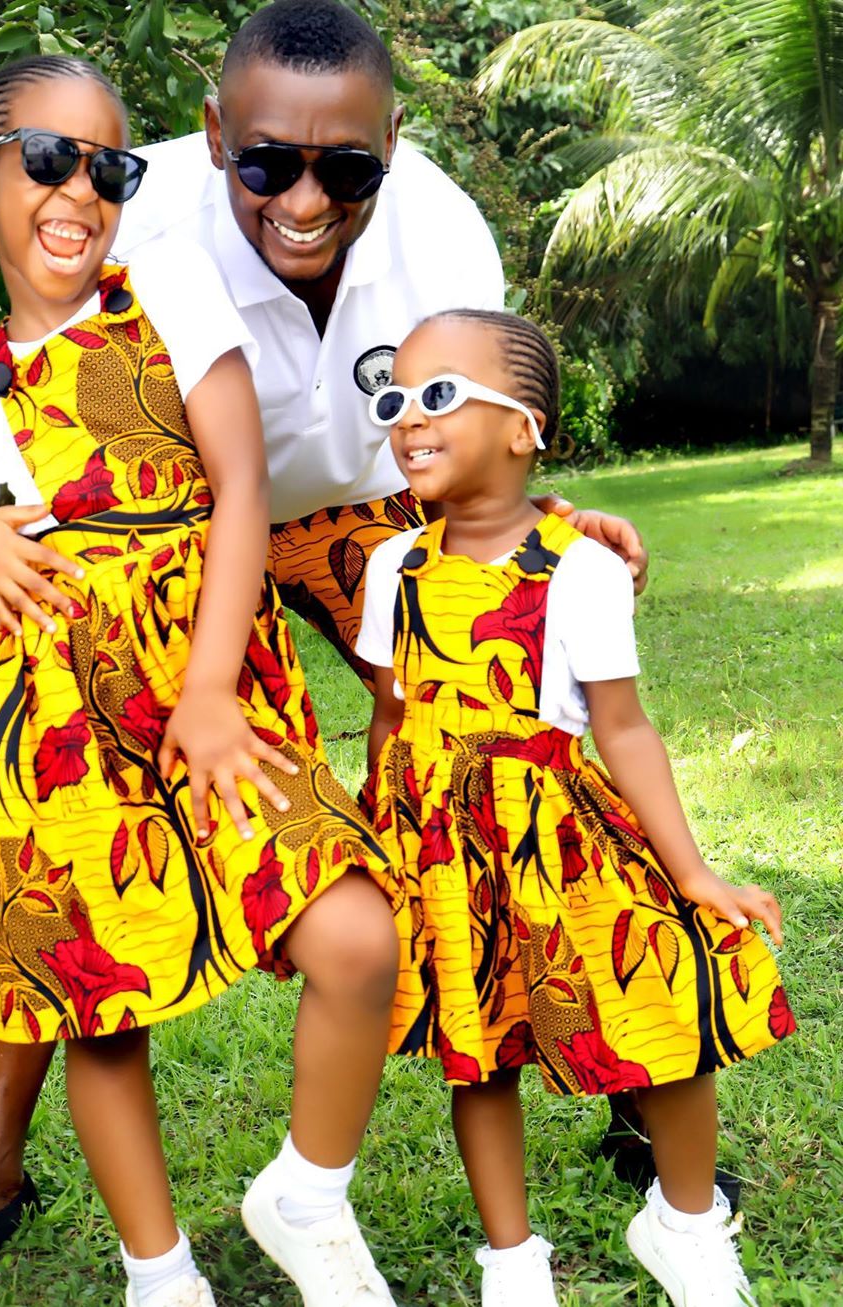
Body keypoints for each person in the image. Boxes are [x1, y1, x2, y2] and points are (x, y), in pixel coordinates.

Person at [0, 0, 652, 1288]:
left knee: (532, 715)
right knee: (69, 917)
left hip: (341, 512)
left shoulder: (435, 232)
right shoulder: (125, 223)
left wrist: (542, 537)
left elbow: (476, 418)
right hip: (113, 609)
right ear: (213, 139)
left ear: (389, 147)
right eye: (266, 163)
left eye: (343, 167)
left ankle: (636, 1069)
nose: (303, 196)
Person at [0, 53, 405, 1306]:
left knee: (354, 932)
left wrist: (212, 688)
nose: (80, 189)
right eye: (46, 159)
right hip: (54, 727)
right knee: (99, 1006)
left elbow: (240, 486)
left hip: (211, 682)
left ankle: (306, 1190)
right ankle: (159, 1273)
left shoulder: (168, 287)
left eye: (108, 168)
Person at [356, 307, 795, 1306]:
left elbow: (624, 729)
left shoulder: (579, 567)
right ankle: (512, 1263)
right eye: (394, 400)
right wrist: (382, 845)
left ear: (524, 429)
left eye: (438, 395)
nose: (408, 418)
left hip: (555, 832)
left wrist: (692, 870)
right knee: (480, 1051)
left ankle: (686, 1224)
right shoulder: (393, 566)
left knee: (664, 1005)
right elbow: (390, 717)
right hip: (442, 850)